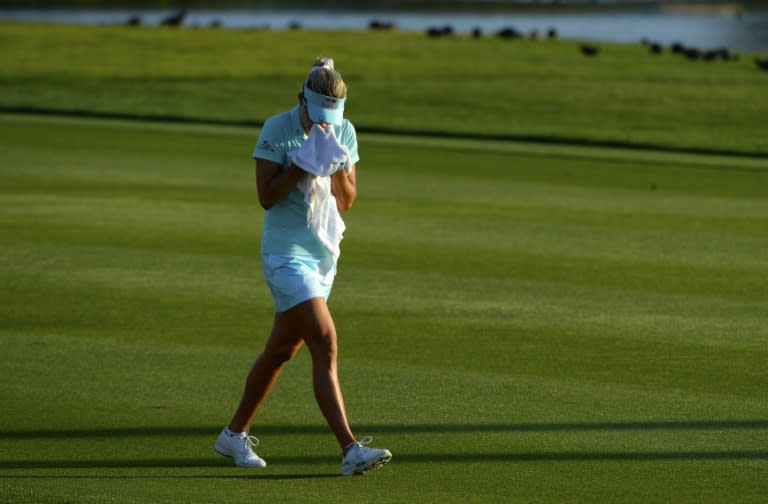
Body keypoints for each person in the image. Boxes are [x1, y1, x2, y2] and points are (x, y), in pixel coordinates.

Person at [214, 57, 392, 476]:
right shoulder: (277, 128)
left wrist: (335, 165)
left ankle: (233, 435)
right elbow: (266, 196)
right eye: (318, 115)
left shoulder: (344, 130)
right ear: (302, 101)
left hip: (321, 256)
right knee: (325, 342)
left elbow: (346, 201)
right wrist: (301, 162)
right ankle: (350, 449)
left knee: (279, 352)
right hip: (284, 254)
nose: (324, 124)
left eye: (332, 117)